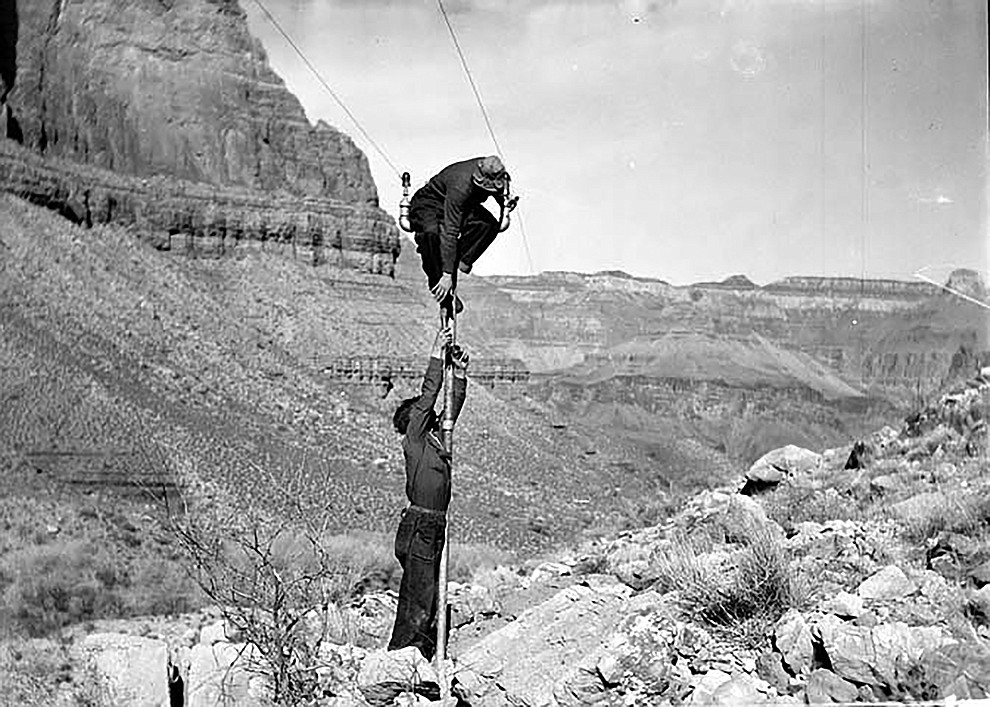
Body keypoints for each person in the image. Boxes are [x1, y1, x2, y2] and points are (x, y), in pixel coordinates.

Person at [387, 323, 469, 660]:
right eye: (428, 418)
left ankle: (415, 650)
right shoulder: (415, 439)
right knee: (420, 594)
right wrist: (437, 352)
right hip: (421, 524)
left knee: (425, 592)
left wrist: (460, 374)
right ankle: (405, 657)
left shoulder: (435, 443)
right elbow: (430, 395)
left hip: (431, 525)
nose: (435, 419)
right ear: (416, 423)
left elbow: (451, 409)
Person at [408, 156, 519, 312]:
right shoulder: (460, 185)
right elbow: (450, 232)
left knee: (487, 225)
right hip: (431, 203)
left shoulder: (500, 176)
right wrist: (447, 274)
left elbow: (501, 197)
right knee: (431, 234)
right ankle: (440, 285)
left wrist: (505, 206)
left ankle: (461, 260)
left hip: (465, 205)